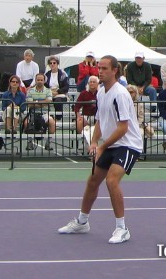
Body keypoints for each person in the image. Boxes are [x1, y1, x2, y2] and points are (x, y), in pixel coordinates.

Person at [58, 55, 143, 244]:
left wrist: (102, 146)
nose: (100, 71)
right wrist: (95, 142)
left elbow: (123, 127)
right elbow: (100, 121)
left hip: (128, 144)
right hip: (110, 143)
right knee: (93, 181)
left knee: (111, 181)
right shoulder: (101, 92)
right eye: (99, 68)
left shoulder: (120, 94)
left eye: (104, 68)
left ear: (114, 71)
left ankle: (122, 229)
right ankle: (82, 222)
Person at [25, 73, 56, 151]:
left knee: (52, 122)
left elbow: (48, 101)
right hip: (32, 114)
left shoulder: (48, 91)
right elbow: (29, 104)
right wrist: (42, 103)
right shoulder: (30, 91)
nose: (39, 81)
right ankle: (29, 142)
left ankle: (48, 143)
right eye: (38, 80)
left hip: (45, 114)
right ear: (35, 80)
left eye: (41, 80)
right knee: (26, 123)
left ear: (44, 81)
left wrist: (35, 102)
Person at [44, 56, 69, 121]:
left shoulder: (63, 74)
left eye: (54, 63)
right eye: (50, 63)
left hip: (61, 94)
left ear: (57, 64)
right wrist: (50, 92)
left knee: (58, 100)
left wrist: (57, 92)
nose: (52, 64)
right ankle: (47, 118)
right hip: (50, 93)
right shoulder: (47, 74)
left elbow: (66, 87)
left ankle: (58, 118)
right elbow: (45, 86)